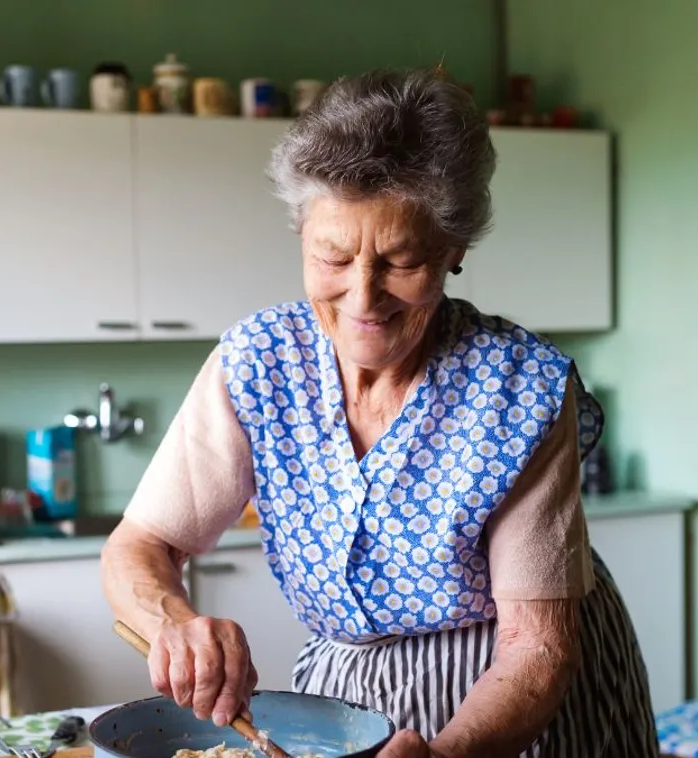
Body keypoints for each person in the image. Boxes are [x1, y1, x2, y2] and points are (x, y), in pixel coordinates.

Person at [100, 67, 658, 757]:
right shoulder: (256, 361)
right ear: (301, 234)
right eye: (331, 257)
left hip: (514, 701)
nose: (363, 298)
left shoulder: (519, 389)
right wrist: (173, 623)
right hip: (349, 692)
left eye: (400, 261)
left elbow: (534, 648)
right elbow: (139, 546)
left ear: (453, 249)